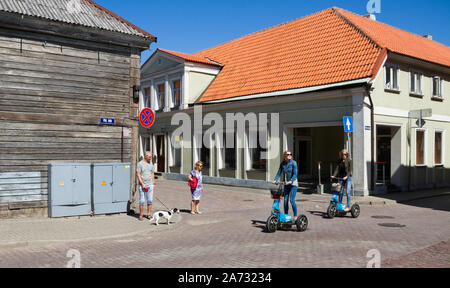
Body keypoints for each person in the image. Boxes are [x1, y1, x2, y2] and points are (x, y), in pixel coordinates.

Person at [272, 150, 299, 220]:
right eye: (288, 154)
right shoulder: (282, 164)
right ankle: (286, 216)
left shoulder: (294, 163)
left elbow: (295, 174)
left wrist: (291, 181)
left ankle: (295, 215)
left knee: (292, 200)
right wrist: (275, 179)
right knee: (285, 200)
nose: (289, 155)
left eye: (290, 154)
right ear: (284, 156)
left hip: (293, 184)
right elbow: (279, 172)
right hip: (286, 184)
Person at [136, 151, 155, 221]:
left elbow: (152, 173)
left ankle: (148, 214)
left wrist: (153, 183)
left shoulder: (151, 163)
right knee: (142, 200)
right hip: (142, 185)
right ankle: (141, 215)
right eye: (149, 157)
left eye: (151, 157)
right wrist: (142, 184)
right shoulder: (140, 164)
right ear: (145, 156)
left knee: (150, 200)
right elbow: (138, 174)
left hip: (150, 185)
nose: (150, 158)